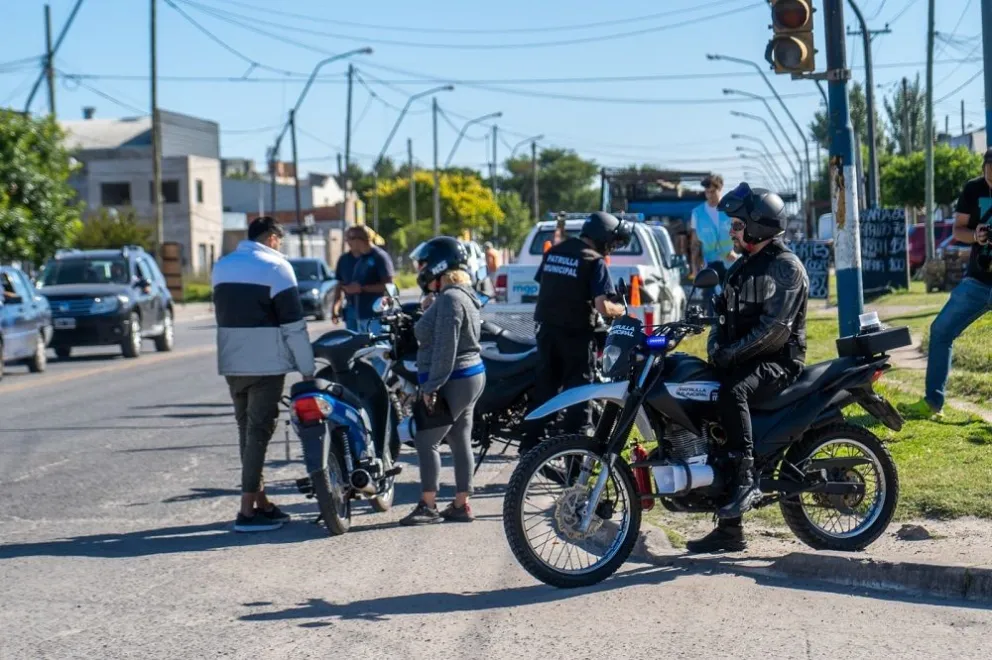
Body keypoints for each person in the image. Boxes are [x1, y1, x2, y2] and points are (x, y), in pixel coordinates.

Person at [686, 183, 809, 554]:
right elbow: (721, 317)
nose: (731, 232)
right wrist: (715, 348)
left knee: (732, 390)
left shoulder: (785, 268)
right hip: (743, 359)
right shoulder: (741, 267)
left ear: (758, 228)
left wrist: (731, 355)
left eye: (737, 226)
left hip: (777, 361)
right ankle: (729, 530)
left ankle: (746, 477)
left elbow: (775, 331)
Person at [212, 217, 316, 533]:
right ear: (272, 237)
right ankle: (246, 512)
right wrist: (307, 368)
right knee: (258, 432)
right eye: (279, 240)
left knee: (246, 431)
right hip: (266, 363)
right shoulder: (277, 268)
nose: (280, 246)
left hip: (232, 360)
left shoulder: (222, 266)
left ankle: (263, 504)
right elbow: (293, 325)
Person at [519, 211, 630, 454]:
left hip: (546, 331)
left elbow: (548, 284)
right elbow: (602, 306)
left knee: (546, 390)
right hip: (576, 337)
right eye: (612, 242)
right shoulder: (594, 261)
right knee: (579, 396)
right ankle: (575, 456)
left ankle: (530, 447)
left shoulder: (555, 252)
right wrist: (621, 310)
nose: (611, 248)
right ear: (603, 237)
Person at [400, 236, 486, 525]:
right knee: (460, 438)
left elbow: (445, 347)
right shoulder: (462, 295)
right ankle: (461, 504)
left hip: (454, 378)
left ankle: (428, 505)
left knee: (426, 441)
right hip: (470, 375)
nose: (420, 269)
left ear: (438, 266)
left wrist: (432, 386)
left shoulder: (450, 299)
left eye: (423, 264)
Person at [909, 149, 992, 419]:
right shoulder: (973, 189)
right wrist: (976, 236)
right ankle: (933, 402)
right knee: (941, 330)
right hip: (978, 281)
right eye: (988, 175)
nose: (991, 180)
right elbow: (958, 230)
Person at [332, 225, 395, 333]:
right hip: (359, 314)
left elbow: (389, 286)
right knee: (359, 343)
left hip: (376, 315)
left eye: (351, 238)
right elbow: (341, 284)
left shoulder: (379, 256)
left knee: (379, 343)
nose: (348, 242)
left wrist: (361, 288)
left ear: (361, 239)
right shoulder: (360, 259)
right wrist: (336, 306)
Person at [688, 174, 738, 283]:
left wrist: (735, 251)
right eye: (707, 192)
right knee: (710, 293)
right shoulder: (697, 213)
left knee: (732, 292)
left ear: (720, 189)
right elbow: (695, 244)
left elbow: (741, 235)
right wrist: (694, 269)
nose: (710, 196)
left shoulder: (731, 210)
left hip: (731, 264)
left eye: (713, 192)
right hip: (709, 266)